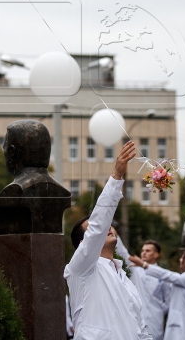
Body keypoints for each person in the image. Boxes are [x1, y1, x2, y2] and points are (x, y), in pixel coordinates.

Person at [64, 141, 152, 340]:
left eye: (109, 226)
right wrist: (116, 177)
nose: (107, 228)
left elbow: (140, 327)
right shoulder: (81, 268)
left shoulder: (123, 276)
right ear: (82, 245)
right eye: (101, 229)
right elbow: (97, 228)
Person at [129, 250, 185, 340]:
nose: (180, 260)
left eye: (183, 258)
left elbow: (167, 275)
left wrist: (144, 265)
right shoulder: (183, 278)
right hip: (176, 322)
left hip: (181, 322)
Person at [115, 238, 170, 340]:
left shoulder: (162, 274)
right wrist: (116, 236)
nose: (144, 253)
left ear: (156, 255)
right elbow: (123, 252)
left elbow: (168, 300)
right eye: (143, 250)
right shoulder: (135, 270)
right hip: (136, 318)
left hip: (155, 320)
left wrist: (157, 310)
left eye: (148, 251)